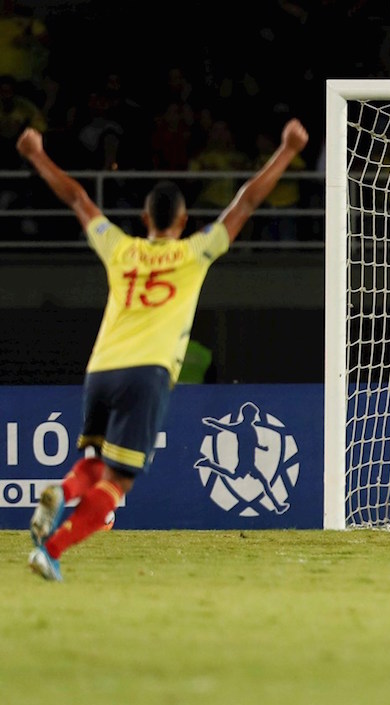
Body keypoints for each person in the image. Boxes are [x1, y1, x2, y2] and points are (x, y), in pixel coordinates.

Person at [19, 117, 309, 581]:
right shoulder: (194, 252)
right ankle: (52, 549)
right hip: (146, 371)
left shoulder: (120, 248)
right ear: (183, 220)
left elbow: (77, 196)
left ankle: (62, 488)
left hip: (100, 367)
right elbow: (248, 199)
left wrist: (36, 154)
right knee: (119, 482)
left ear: (144, 219)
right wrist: (288, 150)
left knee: (94, 465)